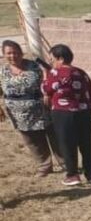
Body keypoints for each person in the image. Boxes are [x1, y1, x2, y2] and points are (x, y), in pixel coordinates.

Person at [0, 39, 61, 177]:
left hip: (42, 108)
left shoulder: (35, 66)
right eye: (8, 53)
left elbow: (51, 80)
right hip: (18, 114)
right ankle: (44, 166)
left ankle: (66, 163)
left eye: (15, 52)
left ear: (21, 53)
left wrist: (48, 94)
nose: (12, 56)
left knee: (54, 136)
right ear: (3, 55)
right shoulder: (2, 71)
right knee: (32, 141)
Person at [42, 44, 91, 187]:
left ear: (60, 59)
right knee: (87, 145)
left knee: (67, 144)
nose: (51, 63)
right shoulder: (80, 72)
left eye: (52, 60)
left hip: (64, 114)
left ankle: (72, 175)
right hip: (85, 113)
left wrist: (45, 75)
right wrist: (90, 105)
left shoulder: (56, 73)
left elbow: (46, 89)